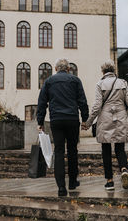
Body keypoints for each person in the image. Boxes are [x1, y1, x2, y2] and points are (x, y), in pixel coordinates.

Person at [82, 60, 128, 190]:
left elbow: (96, 106)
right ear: (113, 71)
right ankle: (124, 169)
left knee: (106, 150)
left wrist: (88, 123)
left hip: (105, 118)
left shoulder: (100, 84)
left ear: (103, 71)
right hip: (120, 117)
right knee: (120, 148)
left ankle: (109, 181)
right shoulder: (122, 83)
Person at [37, 58, 89, 197]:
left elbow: (42, 102)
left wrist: (40, 121)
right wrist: (85, 119)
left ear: (55, 69)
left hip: (56, 120)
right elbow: (82, 101)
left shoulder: (48, 82)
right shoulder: (75, 80)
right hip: (72, 119)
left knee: (59, 151)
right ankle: (72, 182)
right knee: (72, 150)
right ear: (68, 69)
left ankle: (61, 187)